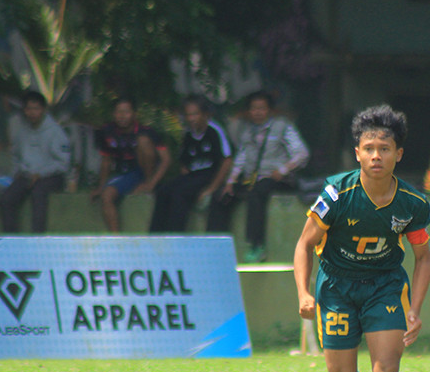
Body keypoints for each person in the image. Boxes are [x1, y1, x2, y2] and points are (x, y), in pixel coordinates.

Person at [293, 104, 430, 372]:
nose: (376, 156)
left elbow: (423, 258)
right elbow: (304, 244)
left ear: (398, 155)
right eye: (368, 149)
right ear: (357, 153)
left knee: (386, 367)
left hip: (384, 286)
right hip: (336, 286)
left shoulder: (412, 203)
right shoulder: (336, 194)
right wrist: (304, 293)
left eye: (384, 149)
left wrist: (415, 309)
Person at [208, 90, 310, 262]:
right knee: (221, 196)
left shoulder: (283, 126)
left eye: (262, 108)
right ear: (248, 111)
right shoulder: (247, 131)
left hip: (280, 180)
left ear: (270, 110)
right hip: (253, 179)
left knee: (257, 193)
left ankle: (256, 246)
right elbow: (240, 158)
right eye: (254, 109)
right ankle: (215, 245)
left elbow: (302, 154)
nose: (257, 112)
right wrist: (231, 182)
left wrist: (283, 170)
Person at [149, 95, 233, 233]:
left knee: (179, 194)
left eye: (195, 114)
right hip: (193, 175)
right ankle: (155, 236)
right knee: (163, 191)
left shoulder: (214, 131)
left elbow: (227, 160)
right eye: (188, 115)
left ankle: (175, 237)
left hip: (210, 174)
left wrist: (211, 188)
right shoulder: (188, 133)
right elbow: (184, 163)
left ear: (205, 114)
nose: (191, 119)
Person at [91, 97, 170, 232]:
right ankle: (116, 239)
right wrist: (101, 186)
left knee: (143, 141)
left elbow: (166, 159)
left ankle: (147, 182)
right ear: (113, 114)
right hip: (125, 175)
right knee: (106, 195)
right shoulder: (107, 131)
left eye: (126, 112)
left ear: (134, 113)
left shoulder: (147, 132)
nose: (122, 116)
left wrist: (151, 184)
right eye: (118, 112)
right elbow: (106, 161)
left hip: (145, 172)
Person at [0, 91, 71, 233]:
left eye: (36, 109)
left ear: (43, 110)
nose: (32, 113)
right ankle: (10, 238)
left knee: (38, 194)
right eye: (29, 109)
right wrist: (20, 171)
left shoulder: (55, 132)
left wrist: (40, 174)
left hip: (51, 176)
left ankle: (37, 238)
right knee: (6, 199)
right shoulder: (21, 131)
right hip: (27, 175)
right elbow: (16, 156)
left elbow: (63, 163)